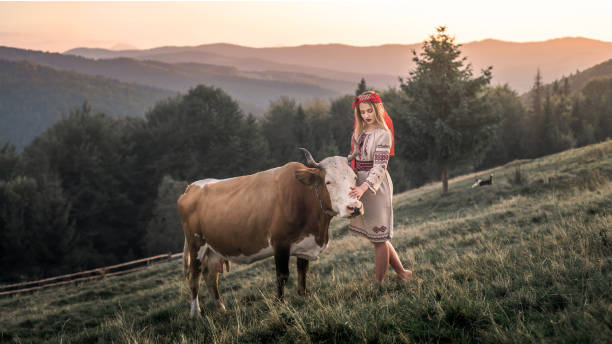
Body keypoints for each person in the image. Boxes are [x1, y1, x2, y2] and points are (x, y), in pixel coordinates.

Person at [348, 91, 412, 283]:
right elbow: (353, 159)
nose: (366, 115)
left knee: (379, 238)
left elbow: (380, 166)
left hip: (375, 186)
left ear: (378, 109)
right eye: (363, 112)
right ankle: (402, 273)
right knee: (377, 236)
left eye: (370, 111)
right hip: (359, 183)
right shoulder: (359, 132)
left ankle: (378, 284)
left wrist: (363, 187)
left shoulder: (383, 134)